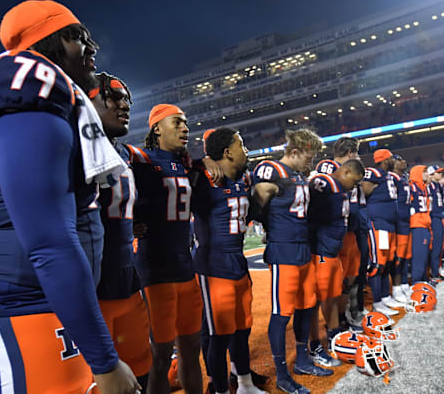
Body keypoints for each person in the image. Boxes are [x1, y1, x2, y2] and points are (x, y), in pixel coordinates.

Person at [0, 0, 138, 394]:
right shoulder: (28, 76)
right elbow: (49, 240)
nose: (91, 49)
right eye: (77, 37)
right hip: (18, 305)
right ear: (47, 41)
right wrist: (104, 361)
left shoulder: (62, 95)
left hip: (41, 303)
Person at [131, 104, 205, 394]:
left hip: (185, 268)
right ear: (157, 127)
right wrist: (129, 222)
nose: (185, 128)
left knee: (191, 350)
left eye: (186, 123)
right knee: (160, 358)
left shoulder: (187, 164)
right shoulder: (140, 159)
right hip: (156, 271)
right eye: (177, 122)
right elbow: (110, 191)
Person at [87, 72, 153, 391]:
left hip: (128, 280)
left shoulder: (128, 154)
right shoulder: (74, 147)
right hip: (91, 289)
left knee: (141, 372)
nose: (124, 104)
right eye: (113, 97)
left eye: (127, 98)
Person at [252, 129, 328, 394]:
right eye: (309, 155)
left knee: (307, 306)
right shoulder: (271, 170)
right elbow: (257, 205)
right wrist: (271, 230)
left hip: (303, 249)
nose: (312, 161)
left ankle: (302, 360)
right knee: (281, 313)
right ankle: (282, 373)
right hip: (283, 250)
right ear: (294, 152)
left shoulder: (297, 174)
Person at [193, 128, 264, 394]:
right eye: (241, 145)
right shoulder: (203, 177)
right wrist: (202, 161)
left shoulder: (244, 177)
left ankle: (245, 384)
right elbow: (174, 166)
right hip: (213, 267)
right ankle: (220, 389)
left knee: (243, 329)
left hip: (238, 262)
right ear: (227, 152)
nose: (245, 150)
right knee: (218, 337)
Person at [307, 159, 364, 368]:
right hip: (320, 252)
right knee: (315, 301)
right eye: (355, 181)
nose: (355, 186)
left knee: (331, 296)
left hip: (332, 252)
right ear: (346, 171)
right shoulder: (324, 183)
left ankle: (333, 334)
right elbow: (309, 213)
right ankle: (314, 346)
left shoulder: (339, 189)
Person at [362, 149, 398, 316]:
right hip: (379, 224)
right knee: (378, 263)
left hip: (389, 224)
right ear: (384, 160)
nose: (393, 161)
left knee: (388, 262)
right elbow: (364, 191)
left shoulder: (388, 175)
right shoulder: (374, 172)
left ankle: (384, 296)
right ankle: (377, 302)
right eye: (391, 158)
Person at [388, 155, 410, 307]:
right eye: (399, 159)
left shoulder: (401, 178)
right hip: (397, 222)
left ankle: (403, 284)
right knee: (397, 257)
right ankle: (396, 288)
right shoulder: (392, 178)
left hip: (404, 221)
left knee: (404, 256)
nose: (403, 161)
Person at [408, 166, 432, 283]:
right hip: (417, 225)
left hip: (425, 224)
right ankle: (417, 282)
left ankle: (424, 280)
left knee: (425, 256)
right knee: (419, 256)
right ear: (417, 173)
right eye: (425, 172)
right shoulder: (412, 187)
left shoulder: (423, 188)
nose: (428, 174)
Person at [426, 166, 444, 284]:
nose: (441, 174)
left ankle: (436, 269)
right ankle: (433, 272)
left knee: (439, 245)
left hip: (439, 216)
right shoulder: (429, 187)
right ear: (432, 175)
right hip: (433, 218)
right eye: (438, 173)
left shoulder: (438, 186)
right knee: (435, 246)